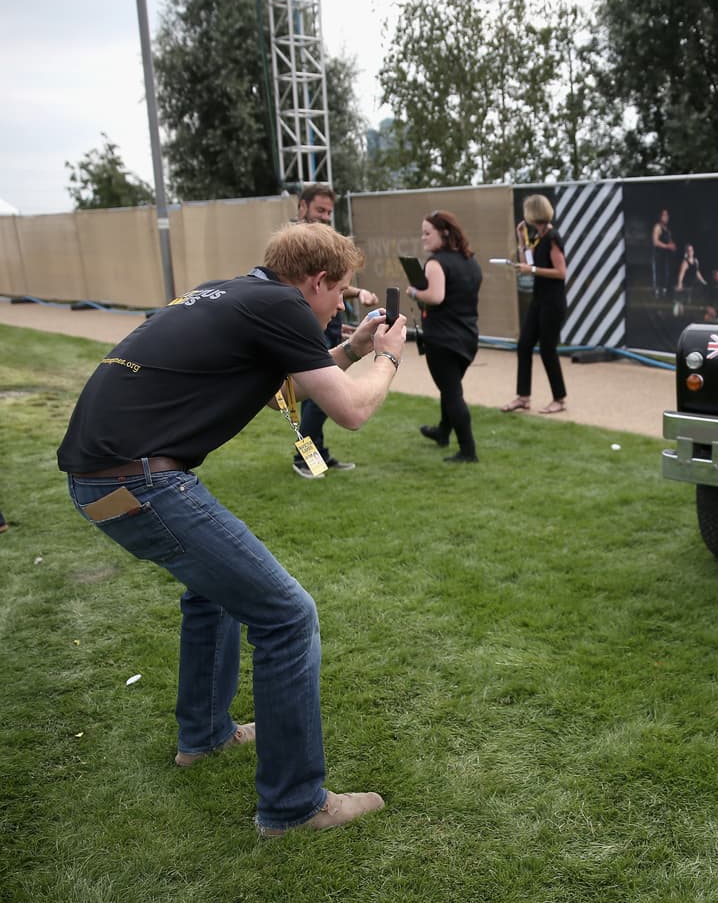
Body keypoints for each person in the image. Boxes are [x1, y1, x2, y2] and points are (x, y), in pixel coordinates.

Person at [57, 221, 405, 836]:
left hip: (98, 482)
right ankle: (296, 806)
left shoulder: (235, 294)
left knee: (213, 593)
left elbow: (293, 377)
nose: (340, 305)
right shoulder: (282, 305)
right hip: (142, 482)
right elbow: (349, 408)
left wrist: (350, 350)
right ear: (316, 281)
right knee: (288, 615)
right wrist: (388, 358)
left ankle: (205, 736)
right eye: (341, 293)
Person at [291, 183, 379, 478]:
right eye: (320, 210)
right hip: (307, 330)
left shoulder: (323, 241)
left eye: (329, 212)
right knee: (319, 397)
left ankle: (316, 455)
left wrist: (356, 292)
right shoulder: (294, 245)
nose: (326, 217)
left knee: (317, 400)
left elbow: (330, 285)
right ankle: (306, 458)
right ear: (302, 207)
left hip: (328, 329)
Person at [406, 210, 483, 463]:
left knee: (451, 392)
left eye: (428, 233)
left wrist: (415, 292)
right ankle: (442, 431)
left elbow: (436, 297)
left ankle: (468, 450)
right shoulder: (470, 261)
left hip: (442, 338)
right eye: (422, 233)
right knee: (450, 388)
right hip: (468, 336)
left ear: (445, 233)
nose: (423, 238)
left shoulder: (436, 263)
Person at [503, 194, 568, 415]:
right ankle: (523, 397)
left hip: (553, 302)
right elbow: (528, 263)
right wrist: (521, 241)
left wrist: (531, 270)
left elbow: (561, 272)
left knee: (548, 349)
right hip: (539, 300)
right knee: (524, 345)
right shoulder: (540, 237)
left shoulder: (552, 237)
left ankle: (559, 399)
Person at [651, 208, 678, 300]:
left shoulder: (667, 230)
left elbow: (669, 241)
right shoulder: (657, 227)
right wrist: (668, 246)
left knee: (666, 274)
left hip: (666, 256)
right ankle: (657, 293)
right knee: (659, 274)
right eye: (664, 215)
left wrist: (672, 245)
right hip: (658, 255)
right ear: (660, 216)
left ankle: (665, 293)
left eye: (667, 215)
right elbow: (655, 242)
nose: (666, 217)